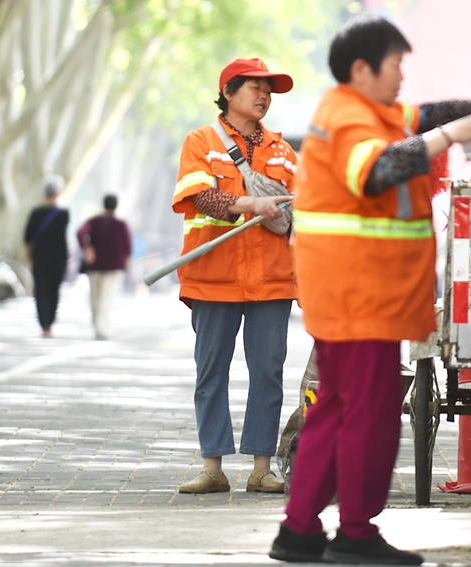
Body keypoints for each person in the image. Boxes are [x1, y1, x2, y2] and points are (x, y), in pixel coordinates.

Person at [270, 13, 471, 565]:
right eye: (395, 66)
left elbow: (422, 114)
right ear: (362, 69)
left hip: (353, 295)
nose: (401, 78)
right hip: (358, 295)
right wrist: (449, 138)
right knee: (369, 413)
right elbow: (375, 172)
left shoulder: (370, 109)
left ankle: (299, 530)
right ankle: (357, 534)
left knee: (337, 410)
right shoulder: (347, 118)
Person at [172, 57, 297, 495]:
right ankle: (213, 467)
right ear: (228, 91)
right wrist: (251, 205)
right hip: (213, 277)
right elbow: (201, 197)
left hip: (272, 280)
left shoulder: (284, 153)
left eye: (269, 90)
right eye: (254, 88)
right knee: (211, 373)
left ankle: (262, 468)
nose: (264, 96)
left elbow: (299, 213)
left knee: (268, 372)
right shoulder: (201, 141)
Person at [77, 194, 132, 340]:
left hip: (95, 266)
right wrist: (125, 262)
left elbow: (80, 232)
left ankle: (97, 326)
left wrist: (88, 249)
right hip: (114, 267)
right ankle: (102, 328)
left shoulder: (94, 222)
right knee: (107, 297)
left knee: (95, 297)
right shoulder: (121, 225)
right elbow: (128, 247)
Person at [23, 175, 70, 338]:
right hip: (58, 258)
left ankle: (44, 324)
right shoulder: (64, 214)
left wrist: (28, 255)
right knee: (54, 290)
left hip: (39, 258)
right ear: (58, 193)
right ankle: (50, 321)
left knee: (41, 290)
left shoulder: (35, 213)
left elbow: (27, 237)